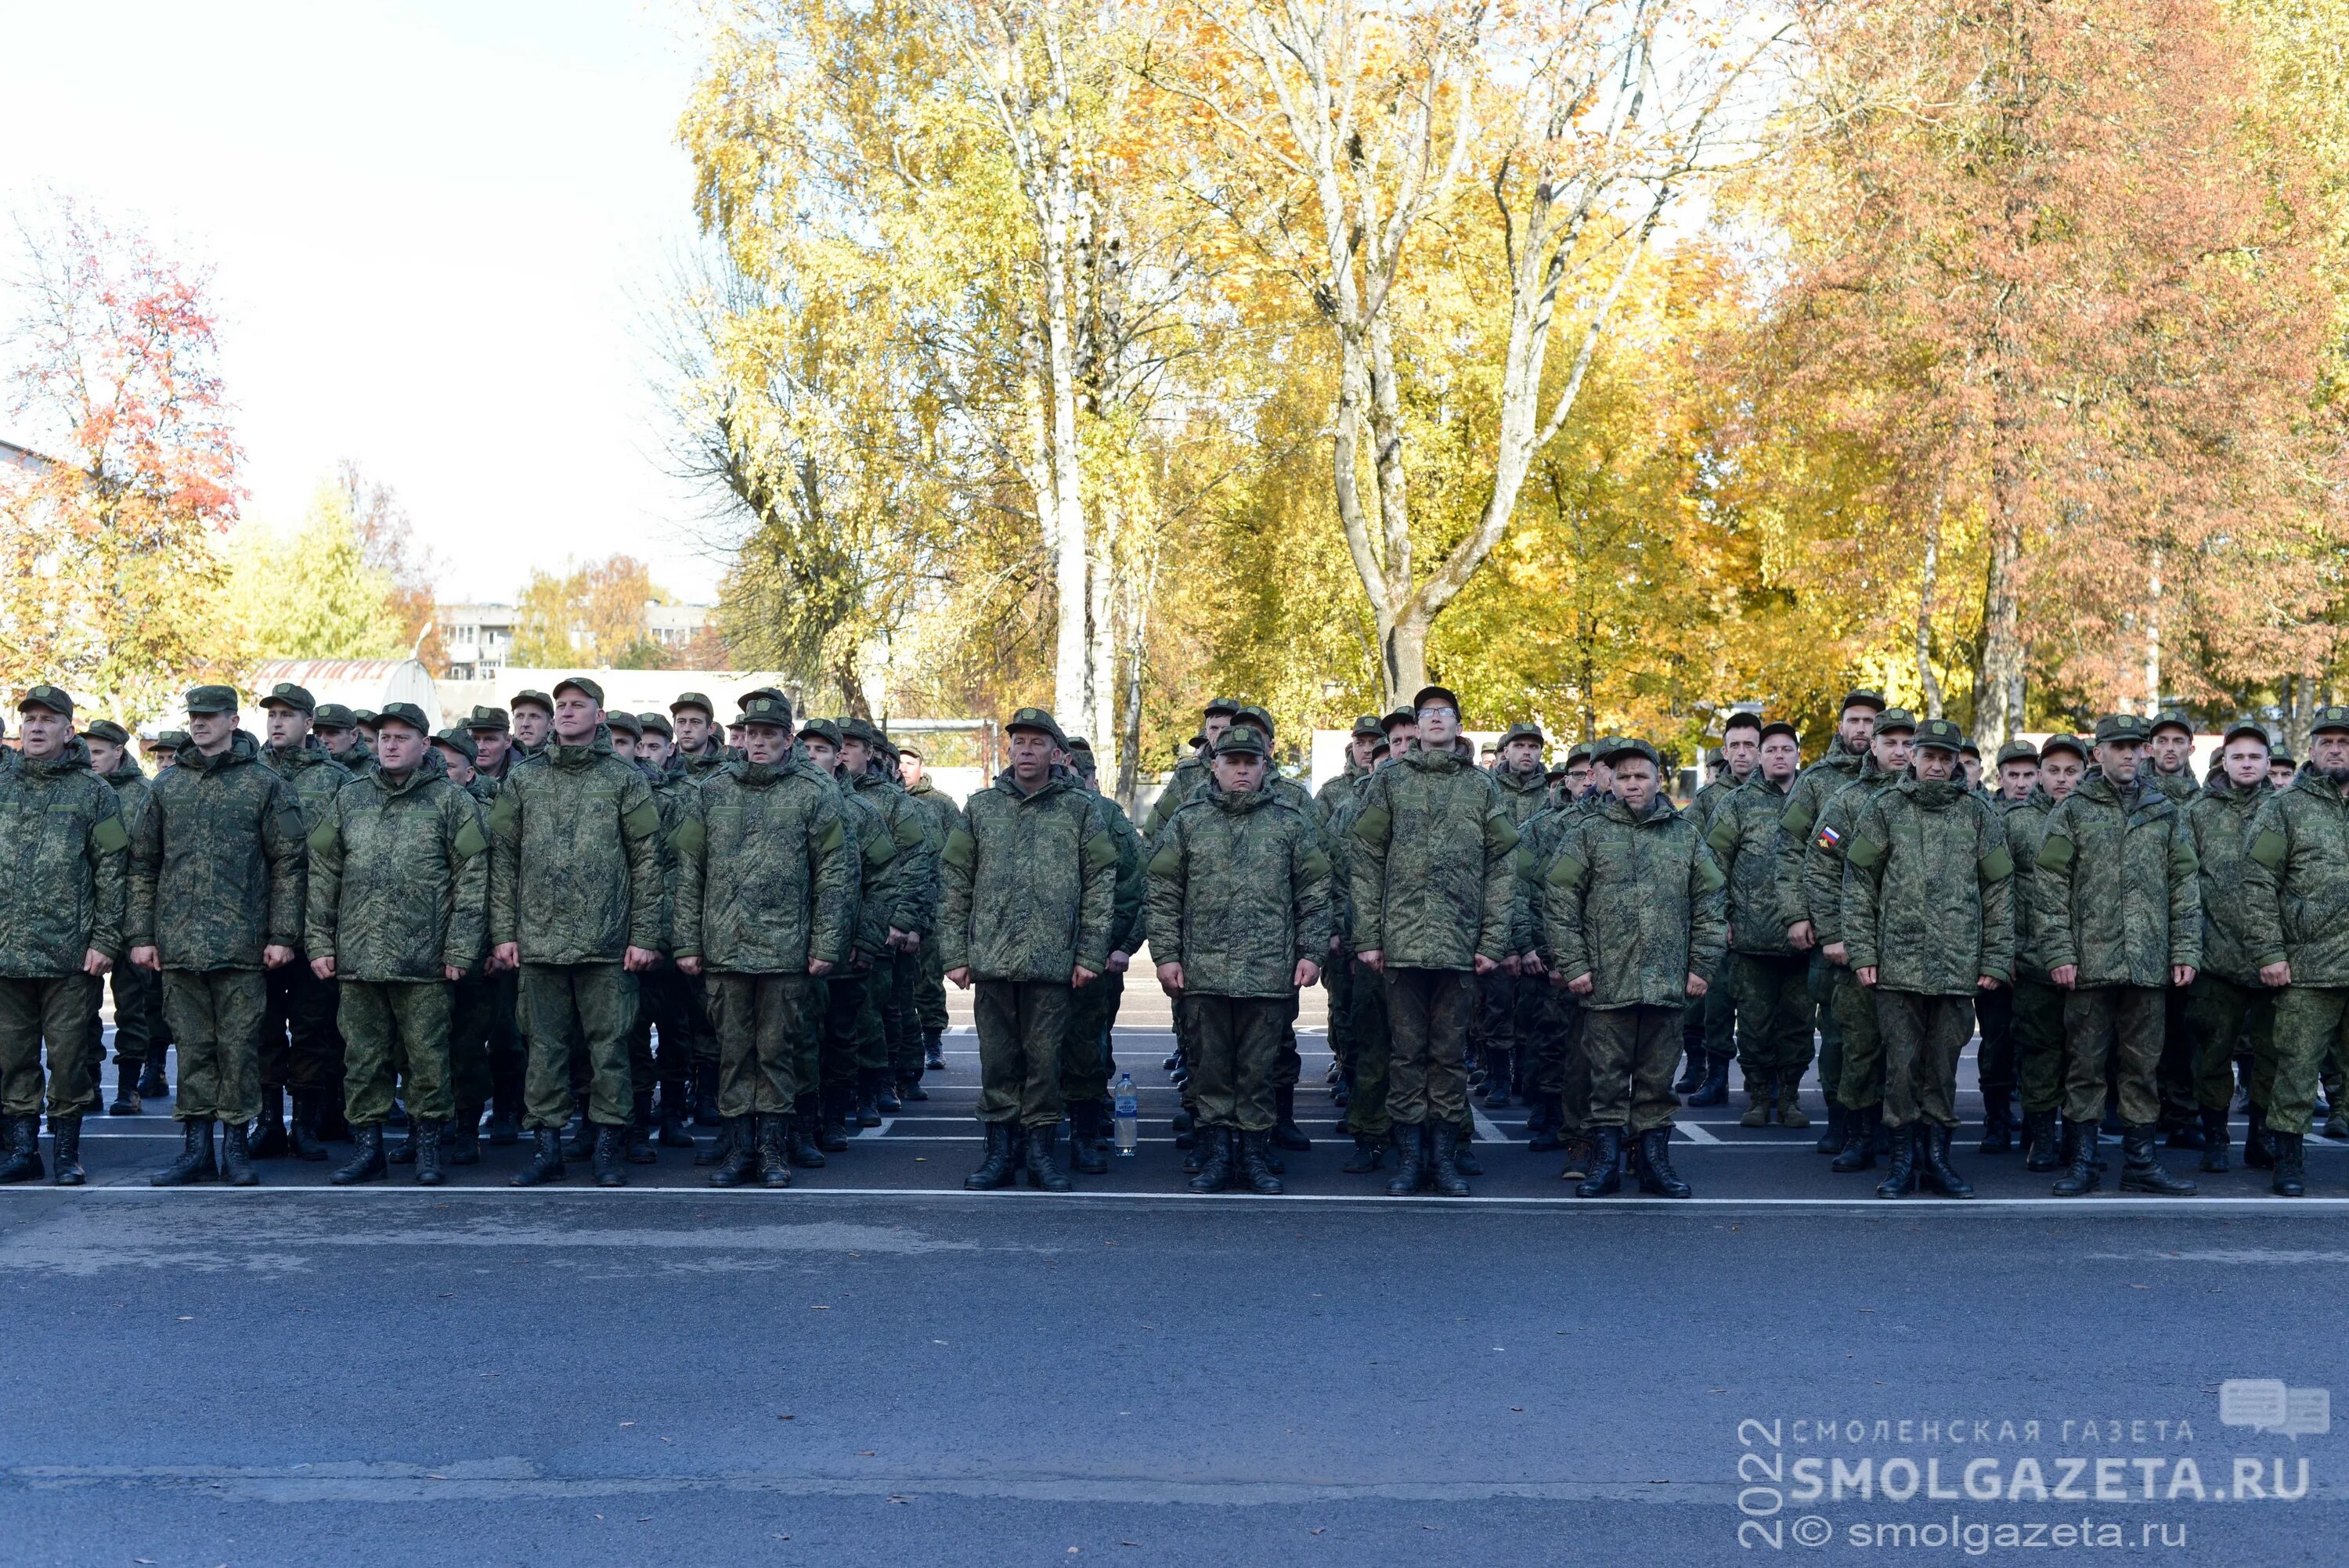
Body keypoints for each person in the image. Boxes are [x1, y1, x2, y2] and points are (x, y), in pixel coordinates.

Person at [673, 693, 857, 1186]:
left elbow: (834, 875)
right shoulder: (711, 792)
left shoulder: (814, 793)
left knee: (776, 1050)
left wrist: (824, 944)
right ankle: (740, 1148)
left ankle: (774, 1148)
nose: (759, 743)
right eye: (752, 734)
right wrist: (687, 942)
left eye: (769, 735)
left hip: (786, 949)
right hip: (725, 947)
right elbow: (690, 872)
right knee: (734, 1050)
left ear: (787, 741)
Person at [487, 676, 665, 1188]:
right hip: (539, 942)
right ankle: (547, 1148)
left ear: (599, 715)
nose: (565, 712)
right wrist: (505, 932)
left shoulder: (626, 780)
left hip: (606, 943)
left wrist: (644, 935)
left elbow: (648, 863)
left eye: (576, 705)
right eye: (560, 705)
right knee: (543, 1048)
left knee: (609, 1048)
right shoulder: (522, 780)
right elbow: (503, 861)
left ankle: (608, 1147)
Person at [304, 704, 488, 1186]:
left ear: (424, 746)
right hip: (359, 958)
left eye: (402, 737)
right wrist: (320, 941)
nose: (389, 744)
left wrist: (460, 949)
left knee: (428, 1058)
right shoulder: (348, 799)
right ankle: (369, 1151)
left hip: (424, 960)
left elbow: (473, 880)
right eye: (384, 736)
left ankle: (428, 1149)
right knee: (362, 1059)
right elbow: (324, 873)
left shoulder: (453, 803)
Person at [128, 686, 305, 1187]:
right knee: (192, 1048)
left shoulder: (263, 784)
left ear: (232, 719)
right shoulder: (166, 787)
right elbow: (142, 865)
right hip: (180, 946)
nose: (199, 724)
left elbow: (290, 865)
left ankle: (236, 1148)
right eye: (194, 716)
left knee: (239, 1048)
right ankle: (196, 1150)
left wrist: (283, 934)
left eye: (209, 716)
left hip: (243, 946)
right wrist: (142, 934)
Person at [939, 708, 1118, 1193]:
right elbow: (954, 882)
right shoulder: (980, 808)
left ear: (1057, 754)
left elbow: (1101, 886)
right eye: (1019, 741)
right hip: (993, 960)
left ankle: (1041, 1151)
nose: (1025, 750)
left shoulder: (1081, 810)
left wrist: (1089, 954)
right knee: (998, 1059)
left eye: (1037, 743)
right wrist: (954, 952)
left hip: (1054, 962)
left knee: (1044, 1061)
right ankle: (1000, 1150)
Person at [1147, 725, 1331, 1193]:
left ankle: (1254, 1157)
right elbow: (1164, 893)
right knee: (1210, 1069)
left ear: (1264, 766)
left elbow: (1314, 892)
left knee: (1258, 1071)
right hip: (1204, 973)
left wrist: (1311, 952)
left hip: (1268, 971)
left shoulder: (1290, 822)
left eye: (1251, 762)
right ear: (1215, 766)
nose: (1242, 770)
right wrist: (1167, 956)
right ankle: (1216, 1156)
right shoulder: (1188, 821)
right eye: (1232, 762)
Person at [1348, 686, 1516, 1198]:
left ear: (1459, 724)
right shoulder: (1388, 783)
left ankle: (1443, 1156)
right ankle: (1410, 1157)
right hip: (1400, 944)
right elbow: (1366, 859)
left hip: (1460, 945)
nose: (1435, 720)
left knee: (1447, 1055)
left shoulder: (1482, 787)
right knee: (1405, 1054)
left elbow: (1503, 867)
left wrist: (1492, 938)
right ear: (1416, 728)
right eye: (1427, 714)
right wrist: (1369, 936)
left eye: (1444, 712)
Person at [1540, 737, 1726, 1198]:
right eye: (1622, 777)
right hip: (1606, 982)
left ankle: (1654, 1163)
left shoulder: (1684, 835)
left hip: (1667, 982)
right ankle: (1604, 1162)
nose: (1631, 785)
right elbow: (1560, 902)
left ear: (1658, 779)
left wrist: (1702, 965)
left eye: (1640, 776)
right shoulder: (1587, 833)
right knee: (1605, 1079)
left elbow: (1710, 902)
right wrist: (1574, 963)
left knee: (1657, 1080)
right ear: (1609, 782)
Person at [1841, 717, 2013, 1199]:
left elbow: (1999, 890)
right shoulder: (1884, 809)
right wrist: (1863, 952)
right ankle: (1900, 1161)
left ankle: (1937, 1159)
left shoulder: (1978, 814)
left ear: (1956, 763)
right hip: (1896, 968)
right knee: (1900, 1068)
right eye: (1928, 756)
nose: (1936, 765)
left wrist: (1995, 959)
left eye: (1945, 758)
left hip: (1958, 969)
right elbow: (1858, 886)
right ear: (1913, 758)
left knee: (1943, 1068)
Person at [2033, 713, 2200, 1198]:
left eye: (2136, 746)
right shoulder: (2071, 812)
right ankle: (2084, 1161)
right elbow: (2050, 889)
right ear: (2097, 755)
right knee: (2085, 1066)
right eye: (2118, 747)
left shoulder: (2164, 811)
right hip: (2088, 964)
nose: (2129, 754)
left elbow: (2184, 885)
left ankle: (2141, 1162)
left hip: (2148, 963)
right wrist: (2059, 952)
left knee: (2142, 1068)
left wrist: (2185, 947)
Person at [0, 687, 128, 1186]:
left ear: (68, 731)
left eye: (48, 720)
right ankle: (23, 1150)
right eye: (29, 718)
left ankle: (67, 1153)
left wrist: (105, 939)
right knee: (12, 1059)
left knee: (71, 1058)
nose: (36, 727)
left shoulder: (95, 793)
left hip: (71, 956)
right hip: (7, 953)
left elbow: (114, 870)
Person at [2239, 706, 2349, 1197]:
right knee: (2296, 1067)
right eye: (2326, 741)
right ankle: (2288, 1157)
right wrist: (2269, 952)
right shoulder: (2285, 808)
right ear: (2311, 750)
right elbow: (2257, 883)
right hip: (2309, 965)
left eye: (2344, 742)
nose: (2336, 749)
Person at [1806, 708, 1914, 1171]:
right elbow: (1821, 865)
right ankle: (1858, 1134)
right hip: (1859, 949)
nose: (1899, 751)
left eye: (1908, 743)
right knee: (1860, 1046)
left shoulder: (1944, 802)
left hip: (1918, 952)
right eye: (1889, 742)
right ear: (1872, 745)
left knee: (1909, 1050)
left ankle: (1902, 1134)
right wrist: (1832, 933)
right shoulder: (1847, 801)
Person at [1775, 689, 1882, 1141]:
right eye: (1854, 720)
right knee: (1839, 1031)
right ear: (1840, 726)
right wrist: (1798, 915)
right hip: (1833, 930)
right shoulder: (1818, 782)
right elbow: (1791, 850)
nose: (1862, 729)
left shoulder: (1907, 777)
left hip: (1892, 932)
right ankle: (1841, 1120)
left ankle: (1883, 1124)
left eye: (1871, 722)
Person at [254, 681, 353, 1162]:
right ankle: (269, 1121)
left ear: (308, 724)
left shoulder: (334, 780)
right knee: (264, 1029)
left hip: (316, 928)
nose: (277, 722)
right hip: (257, 927)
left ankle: (307, 1125)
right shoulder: (248, 775)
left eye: (288, 715)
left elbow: (339, 858)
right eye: (272, 714)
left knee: (315, 1029)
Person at [1703, 719, 1812, 1130]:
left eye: (1787, 749)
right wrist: (1722, 918)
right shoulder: (1736, 804)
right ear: (1761, 758)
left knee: (1798, 1024)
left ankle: (1790, 1096)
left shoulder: (1814, 798)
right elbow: (1714, 867)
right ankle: (1758, 1096)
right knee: (1753, 1025)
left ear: (1798, 755)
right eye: (1772, 750)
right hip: (1751, 939)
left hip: (1803, 940)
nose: (1779, 756)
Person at [2182, 720, 2276, 1174]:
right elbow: (2182, 880)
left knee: (2268, 1055)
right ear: (2223, 760)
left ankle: (2260, 1136)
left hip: (2272, 961)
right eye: (2237, 756)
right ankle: (2216, 1138)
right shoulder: (2199, 812)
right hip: (2215, 959)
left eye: (2255, 757)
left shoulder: (2284, 810)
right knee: (2213, 1056)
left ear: (2268, 764)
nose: (2246, 764)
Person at [81, 718, 165, 1117]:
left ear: (119, 751)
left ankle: (128, 1086)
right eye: (88, 750)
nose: (91, 758)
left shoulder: (145, 794)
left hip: (133, 918)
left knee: (133, 1005)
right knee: (83, 1007)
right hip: (89, 917)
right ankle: (91, 1082)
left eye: (98, 751)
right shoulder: (82, 790)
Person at [1681, 712, 1759, 1101]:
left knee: (1762, 1013)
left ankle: (1769, 1085)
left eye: (1750, 745)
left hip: (1767, 924)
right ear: (1725, 751)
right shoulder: (1708, 799)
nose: (1743, 753)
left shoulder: (1786, 794)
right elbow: (1693, 858)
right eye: (1736, 746)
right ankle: (1714, 1075)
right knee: (1716, 1002)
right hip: (1722, 922)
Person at [897, 744, 965, 1077]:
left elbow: (958, 854)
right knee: (901, 983)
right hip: (897, 907)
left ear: (921, 767)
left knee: (928, 978)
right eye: (900, 761)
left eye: (910, 762)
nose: (904, 767)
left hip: (934, 906)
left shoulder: (940, 804)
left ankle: (933, 1039)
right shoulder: (890, 799)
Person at [465, 707, 514, 784]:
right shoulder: (456, 775)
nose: (480, 747)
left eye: (490, 740)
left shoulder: (525, 776)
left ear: (508, 741)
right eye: (475, 739)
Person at [508, 690, 554, 762]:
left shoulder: (562, 759)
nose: (525, 724)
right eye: (520, 716)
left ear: (551, 724)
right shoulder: (498, 758)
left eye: (534, 716)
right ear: (513, 721)